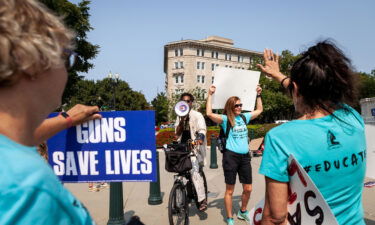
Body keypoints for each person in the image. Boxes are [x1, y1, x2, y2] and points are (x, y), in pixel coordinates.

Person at [0, 0, 95, 224]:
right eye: (66, 57)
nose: (67, 71)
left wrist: (67, 119)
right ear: (32, 62)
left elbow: (17, 139)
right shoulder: (27, 187)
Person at [257, 42, 366, 225]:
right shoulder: (353, 118)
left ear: (297, 89)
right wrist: (279, 76)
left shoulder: (280, 138)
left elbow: (275, 217)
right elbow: (315, 90)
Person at [206, 85, 263, 225]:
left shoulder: (244, 117)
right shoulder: (226, 119)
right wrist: (210, 95)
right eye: (236, 105)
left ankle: (243, 211)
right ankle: (230, 217)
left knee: (248, 188)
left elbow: (260, 110)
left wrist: (259, 95)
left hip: (245, 158)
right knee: (230, 190)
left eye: (240, 105)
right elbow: (209, 114)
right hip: (231, 157)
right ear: (231, 107)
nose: (239, 107)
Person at [175, 93, 208, 211]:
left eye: (189, 101)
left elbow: (202, 129)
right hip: (182, 149)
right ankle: (178, 201)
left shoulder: (197, 115)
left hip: (194, 148)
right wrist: (181, 121)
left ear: (192, 102)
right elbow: (177, 134)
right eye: (184, 101)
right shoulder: (179, 116)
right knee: (178, 176)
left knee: (194, 173)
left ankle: (202, 200)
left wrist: (199, 139)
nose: (187, 103)